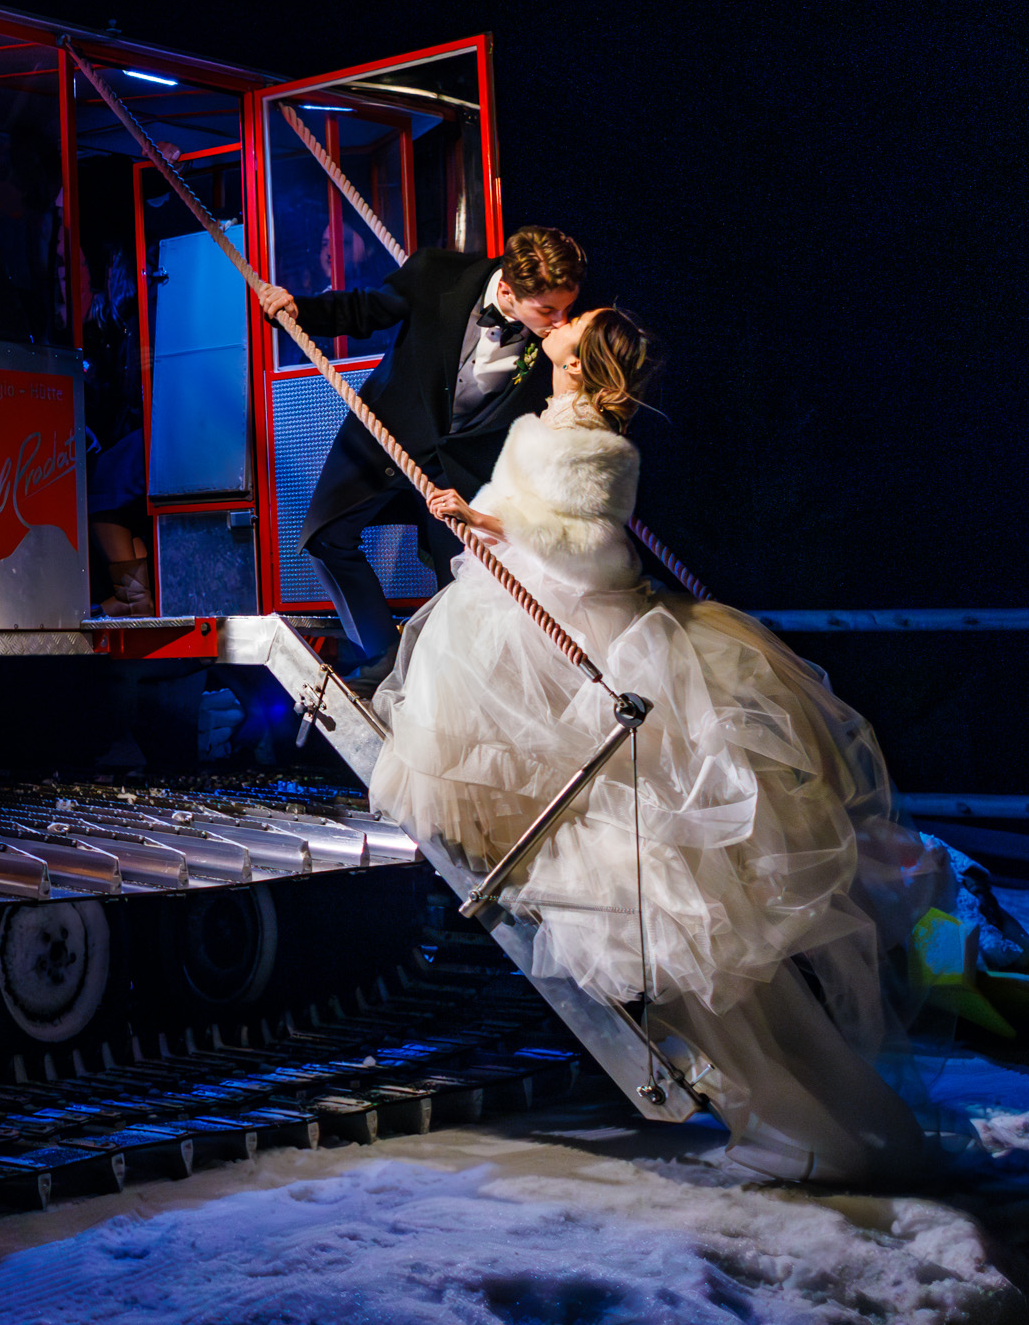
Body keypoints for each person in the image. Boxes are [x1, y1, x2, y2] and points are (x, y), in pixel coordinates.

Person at [370, 308, 942, 1185]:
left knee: (623, 849)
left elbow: (590, 551)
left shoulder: (604, 448)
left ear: (583, 356)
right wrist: (477, 518)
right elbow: (517, 504)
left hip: (567, 631)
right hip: (507, 611)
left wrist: (489, 530)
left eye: (576, 324)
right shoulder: (545, 419)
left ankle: (795, 1113)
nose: (562, 322)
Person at [261, 225, 586, 691]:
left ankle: (440, 687)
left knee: (461, 587)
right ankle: (382, 658)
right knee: (326, 536)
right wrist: (299, 308)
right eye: (548, 309)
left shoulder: (557, 340)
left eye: (566, 308)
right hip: (389, 433)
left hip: (461, 472)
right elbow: (365, 309)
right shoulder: (438, 272)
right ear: (509, 291)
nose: (560, 321)